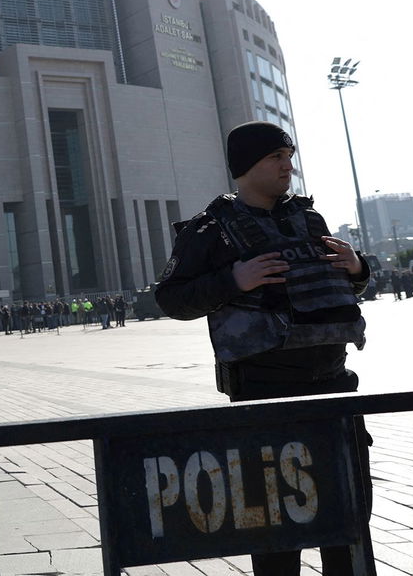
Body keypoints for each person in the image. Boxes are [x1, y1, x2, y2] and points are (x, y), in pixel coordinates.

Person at [154, 121, 371, 576]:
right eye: (276, 158)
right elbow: (170, 298)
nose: (287, 167)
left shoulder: (309, 218)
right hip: (264, 398)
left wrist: (356, 268)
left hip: (334, 391)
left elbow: (330, 292)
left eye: (289, 157)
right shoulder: (209, 230)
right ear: (247, 166)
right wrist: (233, 280)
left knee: (349, 527)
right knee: (276, 542)